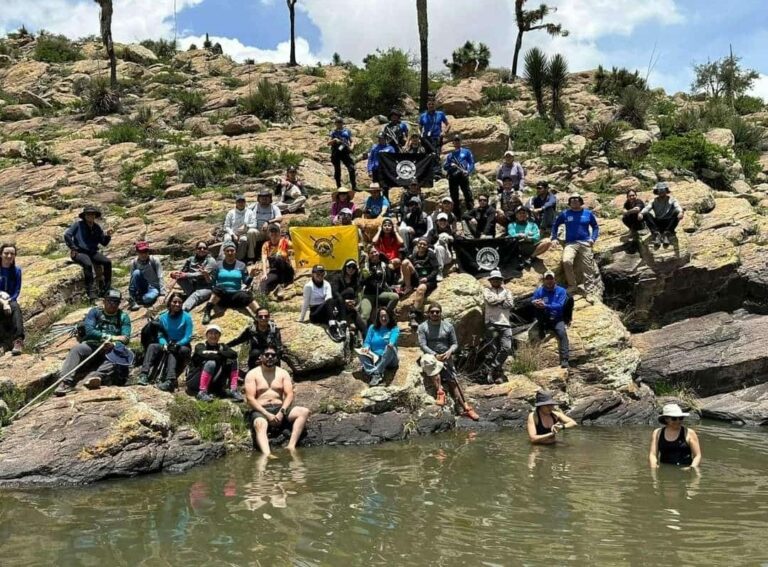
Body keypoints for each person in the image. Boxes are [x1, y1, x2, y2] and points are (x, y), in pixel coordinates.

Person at [54, 289, 132, 396]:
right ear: (104, 301)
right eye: (110, 301)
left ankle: (94, 377)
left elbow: (126, 338)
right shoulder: (95, 312)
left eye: (116, 302)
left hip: (110, 349)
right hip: (93, 345)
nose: (113, 305)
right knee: (77, 349)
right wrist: (111, 337)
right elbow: (89, 331)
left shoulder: (123, 317)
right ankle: (65, 382)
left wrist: (113, 343)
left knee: (118, 357)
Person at [417, 302, 479, 421]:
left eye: (437, 312)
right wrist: (435, 355)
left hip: (446, 356)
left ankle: (466, 407)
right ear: (428, 314)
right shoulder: (423, 327)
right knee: (428, 362)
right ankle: (440, 392)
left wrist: (449, 352)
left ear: (440, 313)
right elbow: (422, 344)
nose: (435, 314)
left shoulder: (448, 326)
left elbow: (455, 344)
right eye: (432, 312)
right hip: (431, 355)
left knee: (453, 381)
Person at [244, 345, 310, 455]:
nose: (270, 357)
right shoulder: (252, 374)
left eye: (273, 355)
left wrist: (282, 412)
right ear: (261, 357)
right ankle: (267, 454)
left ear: (276, 358)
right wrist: (266, 414)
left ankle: (291, 446)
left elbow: (289, 394)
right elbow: (250, 398)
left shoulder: (283, 373)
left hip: (280, 408)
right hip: (261, 410)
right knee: (260, 423)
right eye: (267, 355)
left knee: (303, 411)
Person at [137, 292, 193, 391]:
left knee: (173, 351)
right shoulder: (163, 317)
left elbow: (188, 336)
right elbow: (160, 334)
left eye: (180, 302)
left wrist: (177, 344)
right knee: (152, 346)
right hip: (167, 343)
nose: (177, 304)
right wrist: (164, 344)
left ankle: (170, 380)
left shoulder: (187, 317)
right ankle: (144, 374)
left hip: (183, 346)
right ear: (169, 303)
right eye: (174, 302)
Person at [550, 193, 601, 298]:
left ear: (580, 201)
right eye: (572, 199)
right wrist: (554, 238)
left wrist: (593, 238)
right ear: (569, 202)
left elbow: (595, 226)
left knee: (587, 266)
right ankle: (572, 285)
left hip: (585, 242)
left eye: (576, 199)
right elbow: (555, 225)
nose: (574, 200)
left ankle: (589, 290)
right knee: (566, 261)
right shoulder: (565, 214)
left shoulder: (587, 213)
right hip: (570, 243)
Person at [201, 241, 259, 325]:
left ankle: (260, 313)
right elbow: (211, 282)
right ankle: (207, 312)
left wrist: (251, 275)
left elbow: (246, 282)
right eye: (227, 251)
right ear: (224, 252)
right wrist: (206, 275)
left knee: (247, 295)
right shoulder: (218, 265)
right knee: (218, 288)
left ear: (235, 251)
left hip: (236, 296)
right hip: (222, 298)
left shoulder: (241, 265)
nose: (230, 252)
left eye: (232, 250)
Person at [64, 205, 113, 301]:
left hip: (92, 252)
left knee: (107, 262)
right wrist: (73, 247)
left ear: (95, 216)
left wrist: (108, 235)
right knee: (87, 264)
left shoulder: (96, 227)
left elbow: (104, 243)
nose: (90, 216)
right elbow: (67, 235)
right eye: (88, 214)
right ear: (85, 216)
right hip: (79, 252)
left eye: (92, 214)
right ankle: (91, 293)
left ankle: (106, 288)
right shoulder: (78, 225)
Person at [186, 324, 241, 402]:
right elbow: (203, 354)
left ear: (219, 336)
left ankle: (233, 390)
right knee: (211, 363)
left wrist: (218, 353)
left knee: (233, 361)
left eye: (216, 333)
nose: (213, 336)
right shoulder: (200, 346)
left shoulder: (222, 346)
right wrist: (221, 354)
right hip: (194, 381)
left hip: (213, 381)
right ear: (206, 335)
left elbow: (234, 354)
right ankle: (202, 392)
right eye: (211, 333)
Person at [531, 271, 571, 368]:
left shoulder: (561, 291)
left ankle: (565, 359)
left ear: (554, 279)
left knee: (562, 333)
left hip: (557, 318)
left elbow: (560, 306)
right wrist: (535, 302)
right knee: (535, 308)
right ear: (544, 280)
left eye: (551, 279)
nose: (549, 281)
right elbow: (533, 299)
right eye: (547, 279)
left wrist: (546, 306)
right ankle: (541, 327)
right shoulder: (539, 291)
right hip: (544, 317)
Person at [483, 270, 514, 384]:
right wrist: (502, 300)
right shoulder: (486, 290)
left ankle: (492, 368)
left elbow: (510, 304)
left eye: (498, 279)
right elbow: (490, 301)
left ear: (501, 280)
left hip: (505, 323)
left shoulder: (507, 291)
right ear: (490, 281)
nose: (496, 281)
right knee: (494, 350)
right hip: (491, 323)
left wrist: (498, 302)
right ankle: (498, 375)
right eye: (494, 279)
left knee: (506, 348)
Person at [401, 238, 440, 326]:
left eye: (424, 244)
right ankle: (408, 286)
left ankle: (414, 315)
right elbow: (405, 268)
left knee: (421, 289)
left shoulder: (431, 255)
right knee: (405, 262)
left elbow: (436, 269)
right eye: (420, 243)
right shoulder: (414, 255)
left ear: (427, 246)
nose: (422, 246)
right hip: (417, 278)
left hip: (428, 280)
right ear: (417, 244)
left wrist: (427, 278)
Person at [649, 403, 702, 468]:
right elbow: (653, 455)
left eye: (681, 418)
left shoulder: (689, 433)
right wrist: (653, 468)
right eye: (674, 418)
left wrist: (692, 468)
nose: (678, 421)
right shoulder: (657, 433)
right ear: (666, 419)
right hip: (665, 470)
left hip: (685, 470)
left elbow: (697, 455)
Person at [358, 307, 400, 386]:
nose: (383, 318)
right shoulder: (372, 328)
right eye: (381, 316)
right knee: (361, 352)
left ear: (389, 316)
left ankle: (376, 372)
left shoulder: (394, 328)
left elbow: (393, 339)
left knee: (390, 347)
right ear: (378, 318)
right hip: (376, 358)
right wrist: (366, 347)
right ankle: (375, 373)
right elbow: (367, 342)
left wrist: (390, 343)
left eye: (385, 316)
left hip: (390, 359)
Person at [171, 241, 216, 312]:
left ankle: (181, 310)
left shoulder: (211, 261)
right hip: (193, 286)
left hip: (206, 287)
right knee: (180, 278)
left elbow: (201, 274)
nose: (202, 250)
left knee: (195, 295)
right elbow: (183, 271)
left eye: (204, 248)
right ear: (196, 250)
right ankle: (190, 297)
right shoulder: (191, 259)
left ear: (207, 250)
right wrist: (175, 274)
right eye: (199, 248)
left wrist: (186, 275)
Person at [359, 248, 399, 324]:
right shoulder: (366, 266)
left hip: (381, 293)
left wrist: (390, 269)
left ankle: (385, 313)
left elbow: (390, 280)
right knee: (364, 315)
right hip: (368, 295)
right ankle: (364, 334)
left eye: (375, 252)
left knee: (395, 297)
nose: (374, 254)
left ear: (379, 253)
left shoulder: (383, 265)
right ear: (369, 255)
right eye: (371, 253)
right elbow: (361, 282)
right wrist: (370, 275)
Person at [639, 182, 684, 247]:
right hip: (658, 222)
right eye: (660, 190)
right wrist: (641, 213)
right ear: (657, 192)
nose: (661, 192)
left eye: (663, 190)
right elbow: (647, 208)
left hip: (668, 222)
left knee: (676, 212)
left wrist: (680, 212)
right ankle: (656, 234)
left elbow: (678, 207)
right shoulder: (654, 201)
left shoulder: (672, 200)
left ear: (666, 191)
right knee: (646, 214)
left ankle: (667, 234)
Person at [330, 258, 367, 339]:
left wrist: (353, 302)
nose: (351, 269)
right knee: (350, 290)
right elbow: (334, 292)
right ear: (345, 267)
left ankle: (366, 340)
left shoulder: (355, 280)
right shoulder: (337, 277)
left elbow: (356, 296)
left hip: (347, 306)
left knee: (358, 319)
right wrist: (344, 301)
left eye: (353, 267)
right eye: (349, 266)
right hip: (336, 303)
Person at [246, 189, 282, 262]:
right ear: (258, 198)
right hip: (257, 231)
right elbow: (245, 212)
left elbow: (280, 218)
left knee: (277, 225)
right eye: (262, 197)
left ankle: (275, 253)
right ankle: (251, 257)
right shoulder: (254, 206)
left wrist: (268, 222)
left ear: (270, 198)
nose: (264, 199)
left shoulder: (274, 207)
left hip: (269, 231)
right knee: (251, 232)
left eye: (266, 197)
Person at [0, 243, 23, 355]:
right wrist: (3, 302)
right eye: (6, 253)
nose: (9, 256)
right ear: (1, 254)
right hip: (1, 300)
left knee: (15, 307)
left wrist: (8, 302)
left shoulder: (17, 271)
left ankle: (18, 341)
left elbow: (16, 291)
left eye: (12, 254)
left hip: (9, 300)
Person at [128, 241, 165, 311]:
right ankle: (133, 298)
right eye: (141, 252)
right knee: (136, 273)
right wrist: (131, 294)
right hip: (142, 287)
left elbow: (160, 276)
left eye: (145, 251)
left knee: (147, 299)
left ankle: (140, 298)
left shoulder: (154, 260)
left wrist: (162, 294)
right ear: (137, 252)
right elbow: (132, 280)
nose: (143, 254)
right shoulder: (134, 263)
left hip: (154, 288)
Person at [444, 135, 475, 217]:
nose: (457, 142)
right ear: (453, 143)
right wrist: (451, 165)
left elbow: (472, 163)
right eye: (455, 140)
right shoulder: (450, 155)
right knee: (454, 196)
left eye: (458, 140)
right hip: (453, 177)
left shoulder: (466, 152)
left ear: (460, 142)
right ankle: (456, 215)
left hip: (463, 175)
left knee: (468, 194)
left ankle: (471, 212)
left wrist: (468, 171)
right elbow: (445, 166)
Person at [419, 97, 450, 177]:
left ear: (435, 105)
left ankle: (437, 173)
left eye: (432, 104)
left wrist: (444, 132)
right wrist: (420, 134)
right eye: (429, 104)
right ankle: (429, 172)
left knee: (436, 154)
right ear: (427, 105)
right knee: (428, 155)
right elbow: (419, 127)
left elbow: (448, 124)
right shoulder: (423, 116)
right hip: (426, 139)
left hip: (437, 138)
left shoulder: (440, 114)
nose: (431, 106)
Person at [259, 224, 294, 295]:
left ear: (279, 233)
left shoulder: (285, 241)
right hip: (275, 271)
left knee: (278, 257)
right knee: (264, 282)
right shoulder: (266, 245)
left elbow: (296, 246)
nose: (274, 235)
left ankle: (283, 282)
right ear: (269, 234)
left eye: (276, 233)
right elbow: (264, 260)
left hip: (287, 271)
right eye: (272, 233)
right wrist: (265, 273)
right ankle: (262, 299)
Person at [328, 116, 357, 190]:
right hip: (336, 151)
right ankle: (339, 187)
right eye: (337, 122)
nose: (339, 124)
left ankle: (354, 186)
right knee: (337, 170)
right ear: (335, 123)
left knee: (351, 168)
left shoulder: (347, 131)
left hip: (345, 150)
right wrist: (334, 140)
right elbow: (328, 143)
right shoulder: (333, 132)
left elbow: (352, 141)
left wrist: (352, 147)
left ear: (342, 123)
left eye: (340, 122)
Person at [223, 195, 250, 261]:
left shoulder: (249, 212)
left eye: (242, 202)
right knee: (227, 238)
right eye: (239, 202)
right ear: (236, 203)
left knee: (244, 240)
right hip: (232, 233)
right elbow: (226, 226)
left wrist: (246, 226)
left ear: (245, 203)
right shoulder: (231, 212)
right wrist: (232, 234)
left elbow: (253, 223)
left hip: (244, 233)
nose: (241, 203)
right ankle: (224, 258)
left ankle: (239, 259)